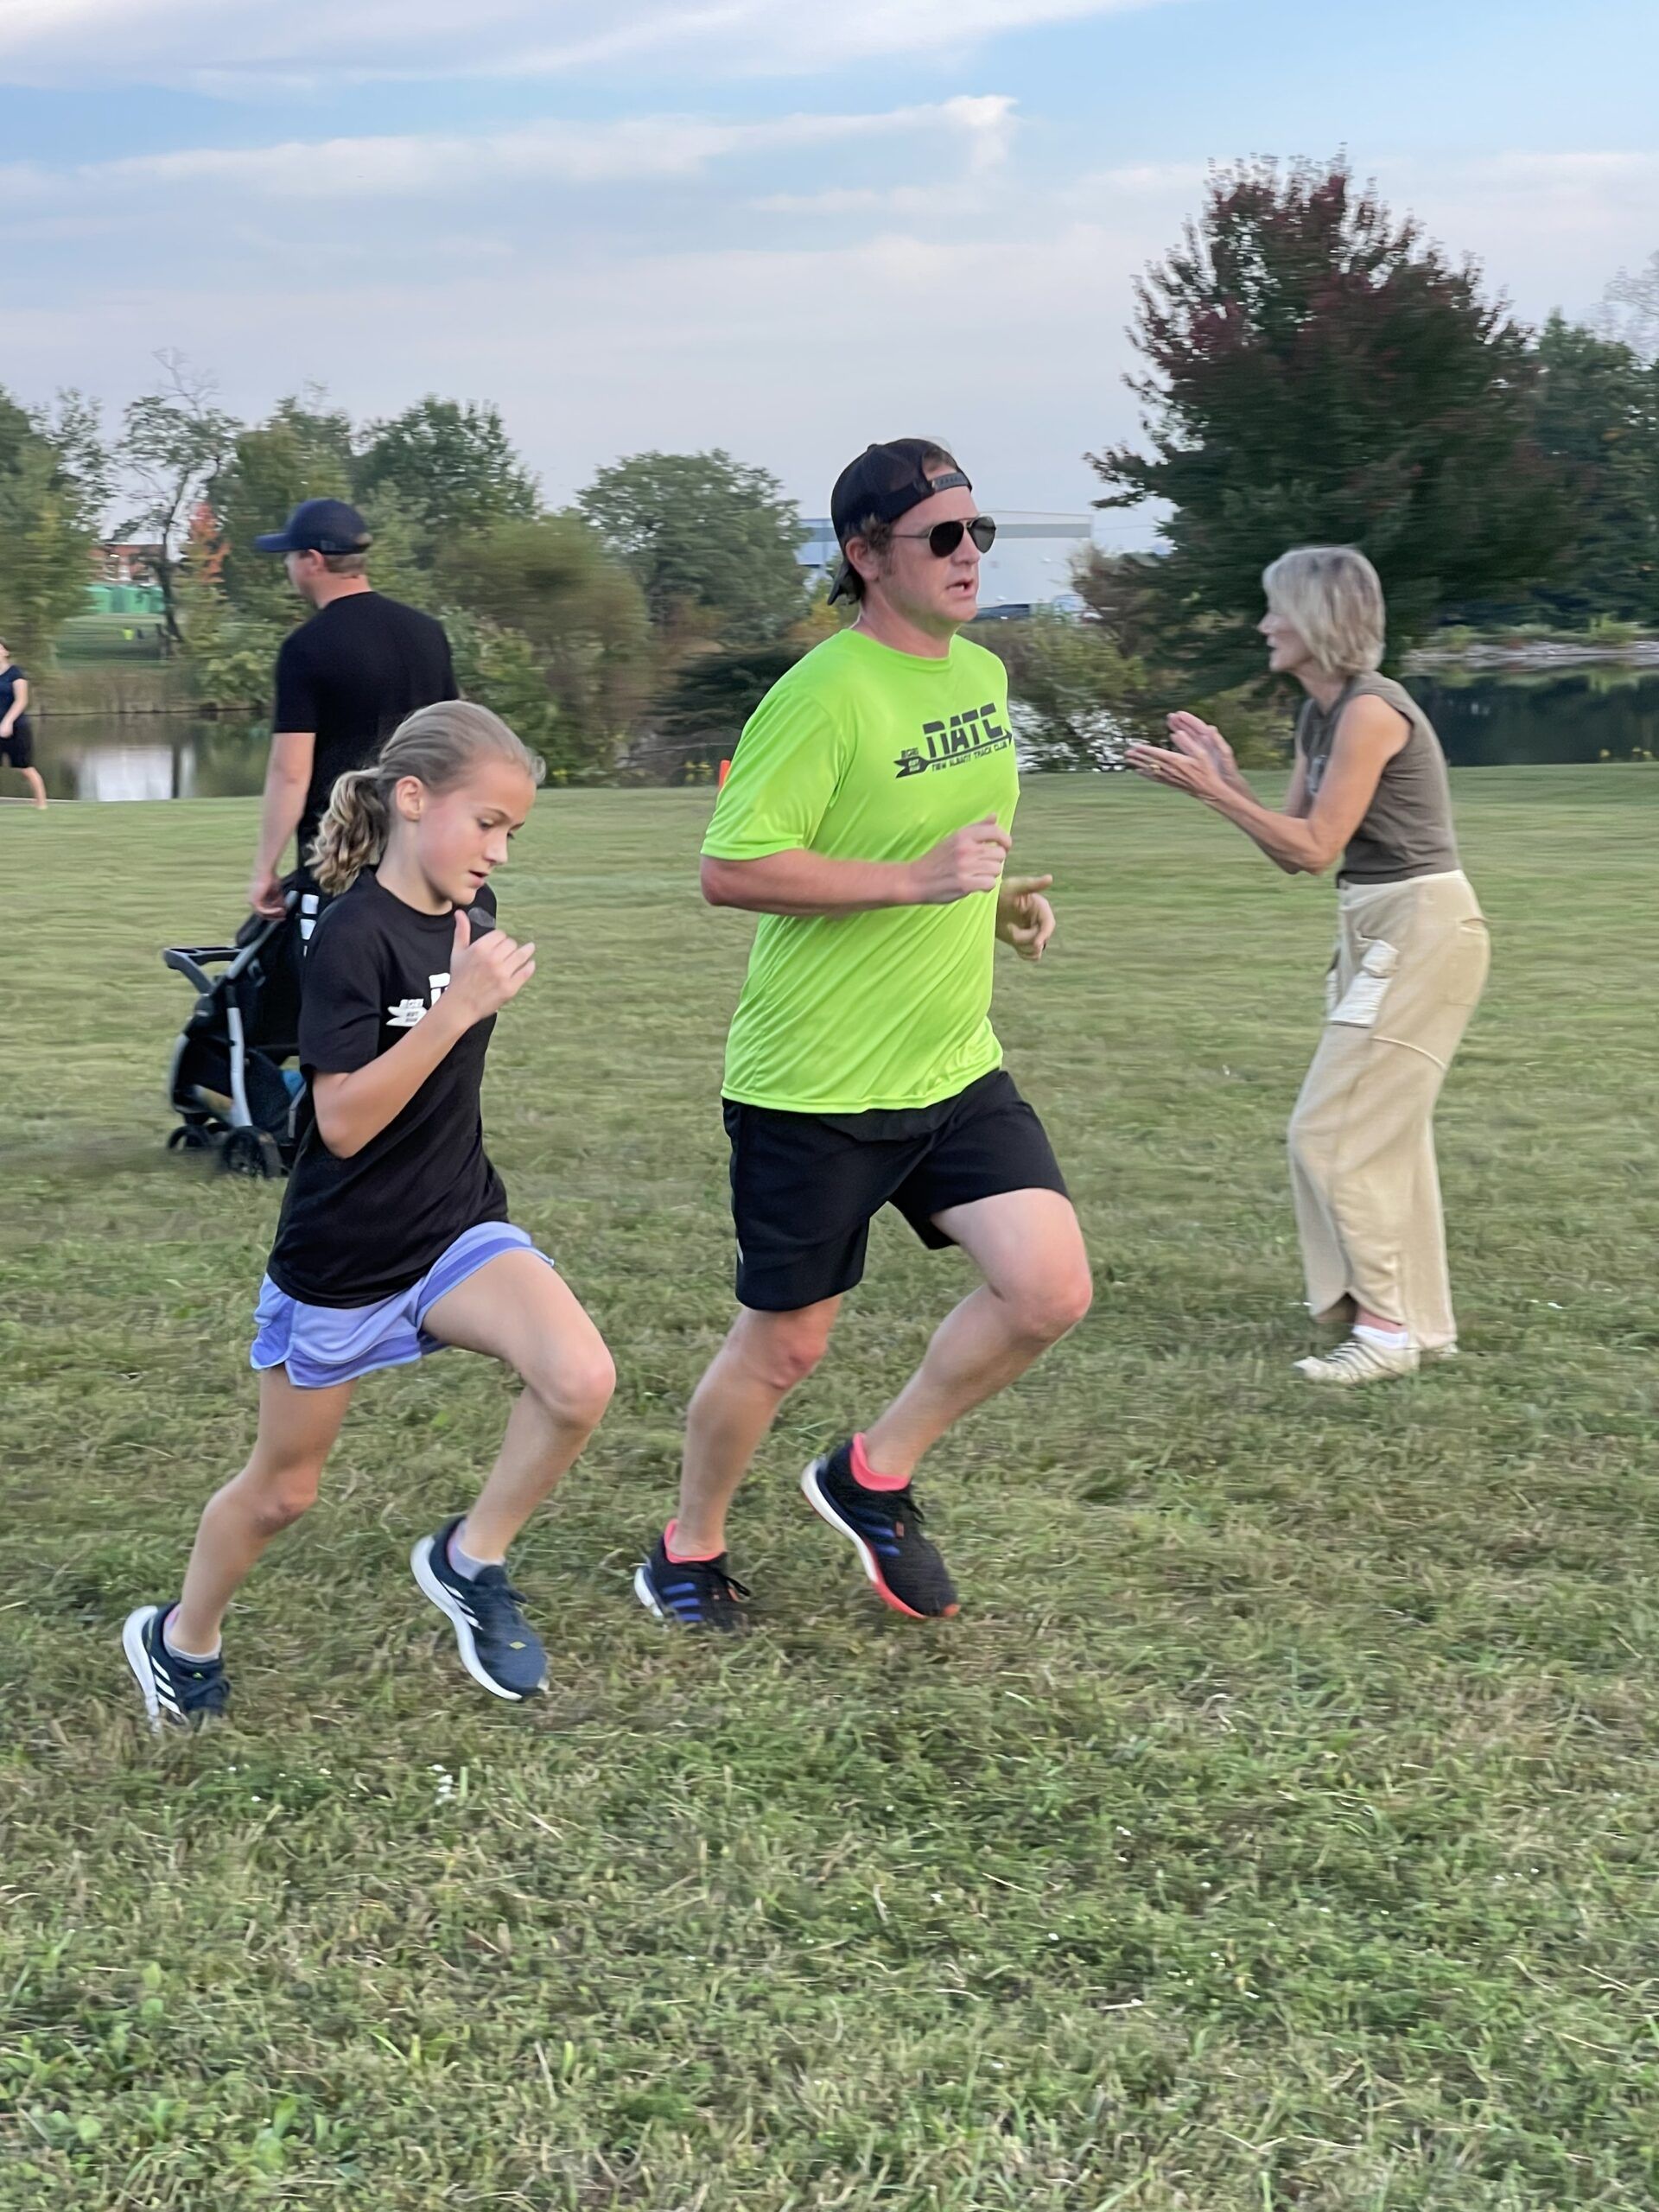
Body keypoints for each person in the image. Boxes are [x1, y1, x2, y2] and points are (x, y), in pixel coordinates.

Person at [633, 439, 1093, 1631]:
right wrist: (914, 883)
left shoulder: (980, 677)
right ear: (866, 553)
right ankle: (686, 1548)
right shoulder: (821, 694)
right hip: (816, 1083)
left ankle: (871, 1475)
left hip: (951, 1062)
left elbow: (940, 845)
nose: (968, 554)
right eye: (941, 536)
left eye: (978, 531)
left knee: (1048, 1288)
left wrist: (994, 904)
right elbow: (732, 869)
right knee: (784, 1348)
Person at [124, 702, 615, 1727]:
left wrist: (464, 993)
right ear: (413, 799)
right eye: (487, 823)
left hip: (456, 1226)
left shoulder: (471, 919)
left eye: (513, 832)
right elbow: (341, 1122)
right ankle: (181, 1638)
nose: (499, 850)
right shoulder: (352, 934)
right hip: (344, 1259)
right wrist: (458, 1007)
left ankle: (470, 1558)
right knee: (283, 1491)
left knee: (579, 1379)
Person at [1126, 545, 1490, 1385]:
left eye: (1276, 609)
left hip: (1422, 926)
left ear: (1317, 621)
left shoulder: (1372, 711)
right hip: (1377, 925)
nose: (1264, 625)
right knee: (1384, 1136)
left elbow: (1318, 847)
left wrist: (1212, 790)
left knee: (1331, 1133)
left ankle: (1386, 1331)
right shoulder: (1320, 715)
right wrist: (1227, 781)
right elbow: (1292, 849)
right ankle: (1416, 1324)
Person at [246, 499, 455, 946]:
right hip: (420, 846)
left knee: (337, 977)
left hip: (338, 854)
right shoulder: (428, 633)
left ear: (313, 560)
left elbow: (290, 772)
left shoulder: (306, 648)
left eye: (289, 555)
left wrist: (265, 867)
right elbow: (453, 742)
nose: (286, 566)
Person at [0, 640, 47, 808]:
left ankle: (41, 804)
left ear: (6, 652)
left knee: (25, 768)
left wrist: (7, 722)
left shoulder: (15, 673)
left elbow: (21, 700)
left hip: (17, 727)